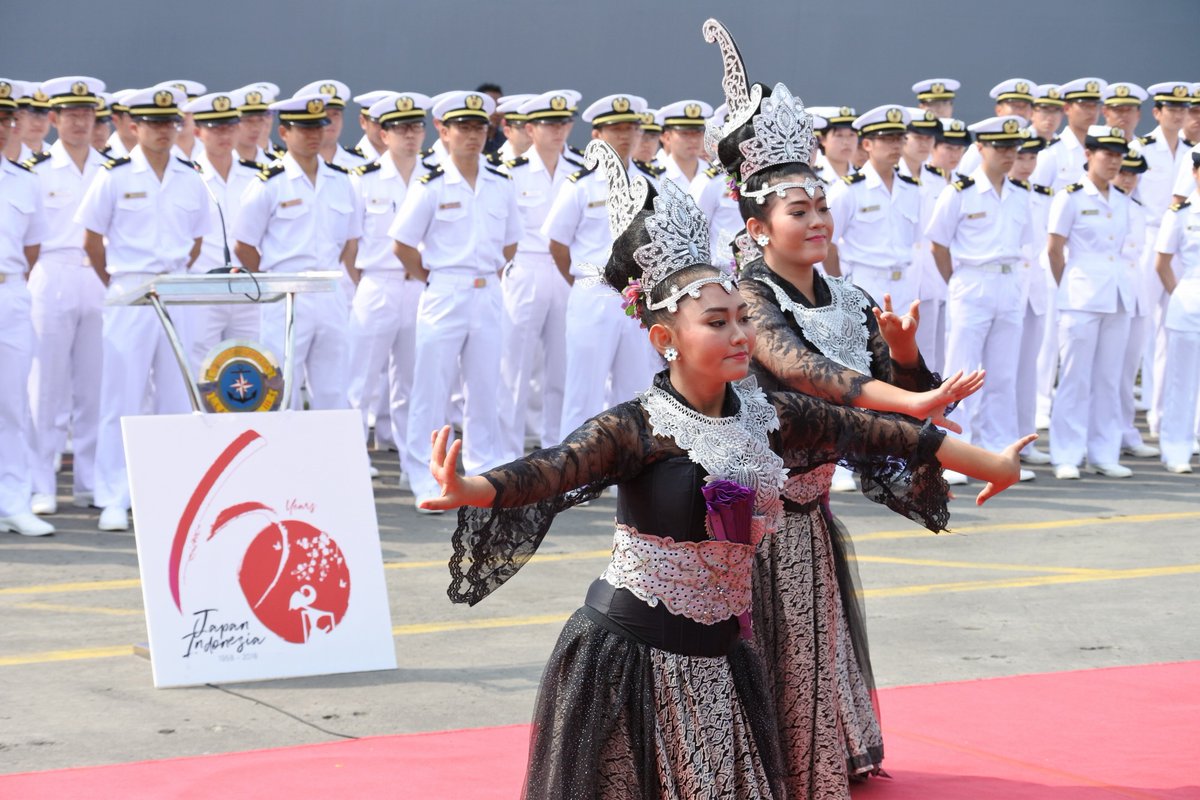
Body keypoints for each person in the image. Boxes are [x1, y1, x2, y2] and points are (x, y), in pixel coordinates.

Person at [421, 139, 1027, 800]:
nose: (739, 333)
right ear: (664, 339)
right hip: (631, 661)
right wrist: (469, 489)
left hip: (720, 664)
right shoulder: (638, 425)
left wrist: (993, 462)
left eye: (741, 317)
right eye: (716, 322)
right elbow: (552, 470)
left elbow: (887, 434)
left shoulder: (774, 414)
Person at [75, 85, 210, 531]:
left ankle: (171, 493)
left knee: (176, 396)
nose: (162, 132)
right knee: (122, 395)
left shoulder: (191, 176)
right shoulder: (113, 174)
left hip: (176, 289)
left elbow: (195, 242)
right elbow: (92, 242)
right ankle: (113, 494)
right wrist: (119, 283)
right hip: (129, 289)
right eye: (152, 124)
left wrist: (170, 278)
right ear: (134, 126)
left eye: (169, 123)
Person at [388, 90, 521, 511]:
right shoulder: (429, 184)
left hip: (487, 291)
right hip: (445, 291)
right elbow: (403, 245)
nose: (473, 135)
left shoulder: (500, 182)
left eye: (479, 127)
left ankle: (485, 475)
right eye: (462, 127)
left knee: (485, 388)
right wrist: (435, 276)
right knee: (431, 388)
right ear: (443, 132)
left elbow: (511, 243)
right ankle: (424, 476)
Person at [543, 92, 663, 437]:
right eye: (615, 129)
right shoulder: (580, 185)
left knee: (637, 388)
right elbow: (557, 243)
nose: (624, 136)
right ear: (597, 136)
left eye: (631, 128)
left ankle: (629, 473)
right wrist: (584, 280)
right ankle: (573, 474)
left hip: (637, 297)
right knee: (584, 389)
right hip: (593, 294)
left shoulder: (650, 183)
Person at [233, 93, 363, 411]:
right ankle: (279, 456)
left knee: (333, 384)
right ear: (284, 133)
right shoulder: (268, 183)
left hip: (329, 289)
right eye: (303, 129)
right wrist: (272, 280)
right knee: (282, 382)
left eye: (318, 127)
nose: (312, 135)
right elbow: (243, 244)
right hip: (286, 290)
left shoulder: (342, 181)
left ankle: (332, 456)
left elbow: (350, 241)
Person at [927, 116, 1036, 484]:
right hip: (972, 281)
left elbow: (1025, 242)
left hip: (1009, 282)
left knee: (1003, 373)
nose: (1009, 155)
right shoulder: (960, 191)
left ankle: (1000, 454)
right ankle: (961, 453)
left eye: (1013, 148)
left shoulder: (1022, 194)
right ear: (982, 148)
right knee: (963, 371)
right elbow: (938, 243)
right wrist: (956, 280)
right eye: (1001, 147)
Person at [26, 76, 109, 517]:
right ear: (54, 119)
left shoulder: (111, 169)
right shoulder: (37, 170)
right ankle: (41, 482)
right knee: (46, 390)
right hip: (52, 274)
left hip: (97, 275)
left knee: (94, 387)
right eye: (71, 114)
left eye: (87, 114)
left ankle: (89, 480)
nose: (79, 122)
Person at [346, 92, 433, 475]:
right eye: (400, 129)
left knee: (413, 378)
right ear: (384, 135)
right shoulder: (362, 179)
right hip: (377, 282)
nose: (410, 136)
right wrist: (359, 281)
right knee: (362, 376)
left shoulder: (432, 177)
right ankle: (352, 450)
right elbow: (347, 243)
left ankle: (408, 452)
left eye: (416, 127)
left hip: (418, 285)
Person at [495, 91, 582, 461]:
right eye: (549, 124)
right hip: (525, 269)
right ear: (530, 129)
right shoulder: (508, 172)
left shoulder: (579, 171)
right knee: (514, 367)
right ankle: (508, 453)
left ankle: (556, 450)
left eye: (563, 123)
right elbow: (500, 234)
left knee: (562, 366)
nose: (558, 130)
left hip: (565, 271)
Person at [1046, 125, 1135, 479]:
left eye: (1118, 154)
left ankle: (1103, 452)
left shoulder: (1123, 198)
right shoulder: (1070, 196)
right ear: (1088, 155)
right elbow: (1054, 249)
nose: (1113, 161)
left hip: (1116, 296)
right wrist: (1069, 286)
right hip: (1081, 297)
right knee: (1075, 378)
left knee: (1109, 378)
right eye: (1106, 154)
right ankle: (1066, 453)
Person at [1033, 78, 1107, 431]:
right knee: (1048, 333)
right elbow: (1036, 205)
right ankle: (1042, 403)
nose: (1090, 111)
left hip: (1087, 255)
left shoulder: (1101, 149)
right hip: (1053, 249)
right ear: (1068, 109)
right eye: (1083, 105)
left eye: (1095, 105)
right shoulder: (1051, 155)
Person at [0, 83, 53, 537]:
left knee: (12, 403)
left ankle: (13, 500)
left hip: (10, 293)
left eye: (5, 120)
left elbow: (32, 246)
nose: (1, 128)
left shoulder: (25, 180)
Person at [183, 91, 263, 373]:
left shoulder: (257, 175)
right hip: (203, 287)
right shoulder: (187, 175)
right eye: (215, 128)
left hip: (247, 287)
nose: (223, 135)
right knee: (200, 366)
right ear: (197, 132)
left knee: (251, 365)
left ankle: (246, 420)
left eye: (229, 126)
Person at [1136, 82, 1194, 440]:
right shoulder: (1140, 148)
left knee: (1171, 334)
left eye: (1183, 108)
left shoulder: (1193, 152)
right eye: (1170, 108)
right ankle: (1135, 416)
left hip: (1182, 243)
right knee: (1140, 331)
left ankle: (1163, 418)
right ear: (1157, 113)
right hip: (1146, 242)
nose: (1177, 113)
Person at [825, 105, 922, 315]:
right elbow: (828, 245)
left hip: (904, 284)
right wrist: (840, 289)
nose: (895, 146)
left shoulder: (912, 189)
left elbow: (915, 241)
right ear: (867, 144)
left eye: (899, 138)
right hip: (864, 283)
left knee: (902, 347)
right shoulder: (848, 189)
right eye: (887, 139)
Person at [1153, 153, 1200, 472]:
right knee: (1181, 380)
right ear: (1195, 172)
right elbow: (1162, 263)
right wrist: (1182, 296)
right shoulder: (1181, 213)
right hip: (1190, 299)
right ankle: (1176, 447)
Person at [1010, 133, 1055, 464]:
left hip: (1034, 290)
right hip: (1002, 288)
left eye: (1031, 158)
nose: (1026, 164)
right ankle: (985, 440)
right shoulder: (994, 193)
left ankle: (1024, 438)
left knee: (1027, 369)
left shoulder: (1043, 195)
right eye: (1020, 157)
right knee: (993, 372)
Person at [1111, 147, 1159, 459]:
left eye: (1134, 173)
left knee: (1127, 372)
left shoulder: (1140, 208)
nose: (1129, 179)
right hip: (1107, 295)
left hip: (1136, 294)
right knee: (1100, 373)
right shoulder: (1100, 205)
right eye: (1123, 172)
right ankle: (1096, 435)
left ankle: (1125, 431)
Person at [958, 79, 1037, 175]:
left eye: (1024, 106)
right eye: (1015, 106)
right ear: (999, 110)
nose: (1020, 111)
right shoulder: (983, 148)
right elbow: (964, 178)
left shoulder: (1036, 144)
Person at [294, 79, 367, 170]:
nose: (331, 121)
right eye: (324, 114)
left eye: (335, 114)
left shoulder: (361, 164)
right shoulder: (289, 167)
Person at [155, 80, 206, 162]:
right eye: (176, 113)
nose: (182, 117)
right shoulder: (154, 151)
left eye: (187, 112)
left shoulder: (211, 149)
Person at [809, 106, 858, 183]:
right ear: (823, 139)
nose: (846, 142)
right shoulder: (811, 176)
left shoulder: (864, 176)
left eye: (851, 135)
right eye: (839, 135)